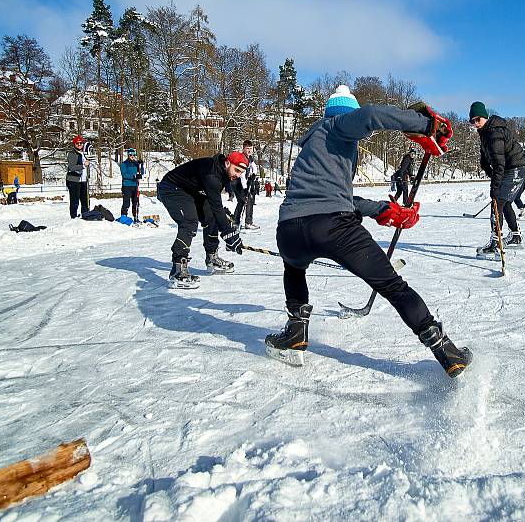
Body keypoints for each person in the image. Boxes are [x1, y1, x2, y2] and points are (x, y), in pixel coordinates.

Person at [265, 84, 471, 378]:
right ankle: (446, 351)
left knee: (294, 269)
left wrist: (383, 210)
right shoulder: (338, 125)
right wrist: (426, 125)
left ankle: (295, 333)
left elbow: (342, 197)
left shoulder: (313, 146)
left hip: (289, 231)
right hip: (333, 228)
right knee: (393, 286)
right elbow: (372, 115)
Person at [157, 151, 248, 288]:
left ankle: (212, 258)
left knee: (210, 217)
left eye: (241, 172)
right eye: (237, 170)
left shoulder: (224, 172)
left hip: (192, 190)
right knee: (189, 222)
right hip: (172, 188)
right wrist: (229, 234)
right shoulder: (212, 174)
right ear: (227, 163)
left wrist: (228, 231)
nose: (238, 175)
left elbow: (215, 209)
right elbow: (217, 206)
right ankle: (178, 270)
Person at [469, 101, 525, 257]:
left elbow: (498, 163)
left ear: (485, 117)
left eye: (478, 119)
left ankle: (496, 242)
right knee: (505, 202)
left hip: (516, 168)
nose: (475, 124)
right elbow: (487, 159)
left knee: (497, 202)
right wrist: (485, 166)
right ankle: (515, 236)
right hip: (513, 169)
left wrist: (494, 186)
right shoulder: (485, 133)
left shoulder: (494, 132)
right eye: (472, 121)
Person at [66, 136, 90, 218]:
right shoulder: (72, 154)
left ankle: (86, 216)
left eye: (81, 143)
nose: (79, 145)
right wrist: (83, 165)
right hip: (74, 180)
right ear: (74, 144)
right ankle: (73, 217)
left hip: (83, 180)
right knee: (75, 201)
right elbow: (72, 167)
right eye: (77, 143)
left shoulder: (83, 153)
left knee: (85, 201)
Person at [120, 148, 145, 221]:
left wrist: (141, 165)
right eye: (130, 154)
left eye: (134, 154)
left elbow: (142, 173)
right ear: (128, 155)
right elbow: (124, 175)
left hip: (135, 186)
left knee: (135, 203)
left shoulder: (136, 164)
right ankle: (124, 217)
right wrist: (134, 176)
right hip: (126, 186)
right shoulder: (124, 164)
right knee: (126, 202)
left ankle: (135, 217)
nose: (132, 156)